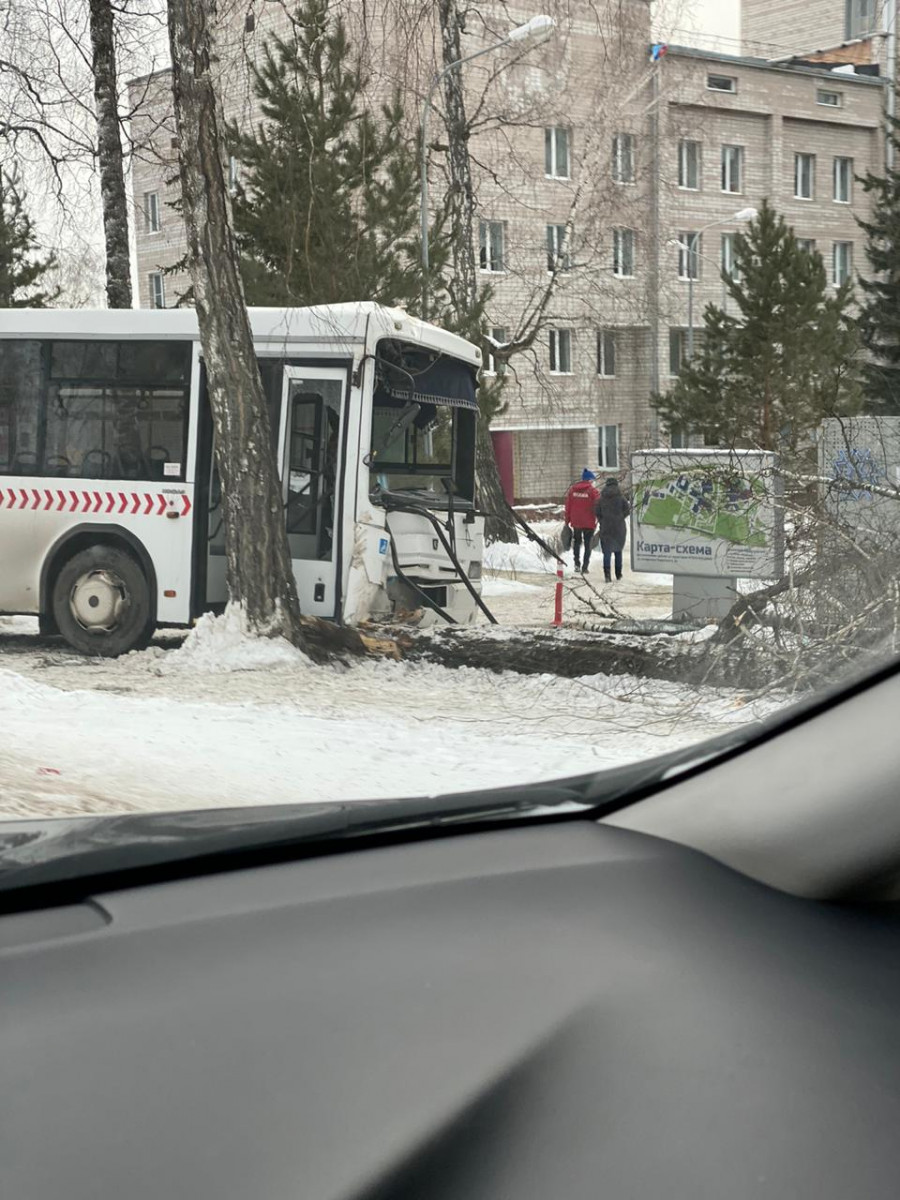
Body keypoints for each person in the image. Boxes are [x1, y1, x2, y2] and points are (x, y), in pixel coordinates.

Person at [596, 476, 632, 583]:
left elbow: (597, 512)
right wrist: (620, 518)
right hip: (619, 527)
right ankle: (618, 574)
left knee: (606, 552)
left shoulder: (601, 499)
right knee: (618, 551)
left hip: (606, 527)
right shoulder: (621, 498)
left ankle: (607, 575)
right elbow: (627, 511)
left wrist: (602, 520)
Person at [564, 469, 600, 574]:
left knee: (577, 542)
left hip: (576, 522)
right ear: (589, 480)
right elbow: (598, 506)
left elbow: (568, 506)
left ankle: (576, 564)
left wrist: (567, 520)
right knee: (588, 544)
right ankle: (585, 567)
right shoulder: (593, 492)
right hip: (589, 523)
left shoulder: (572, 490)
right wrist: (599, 519)